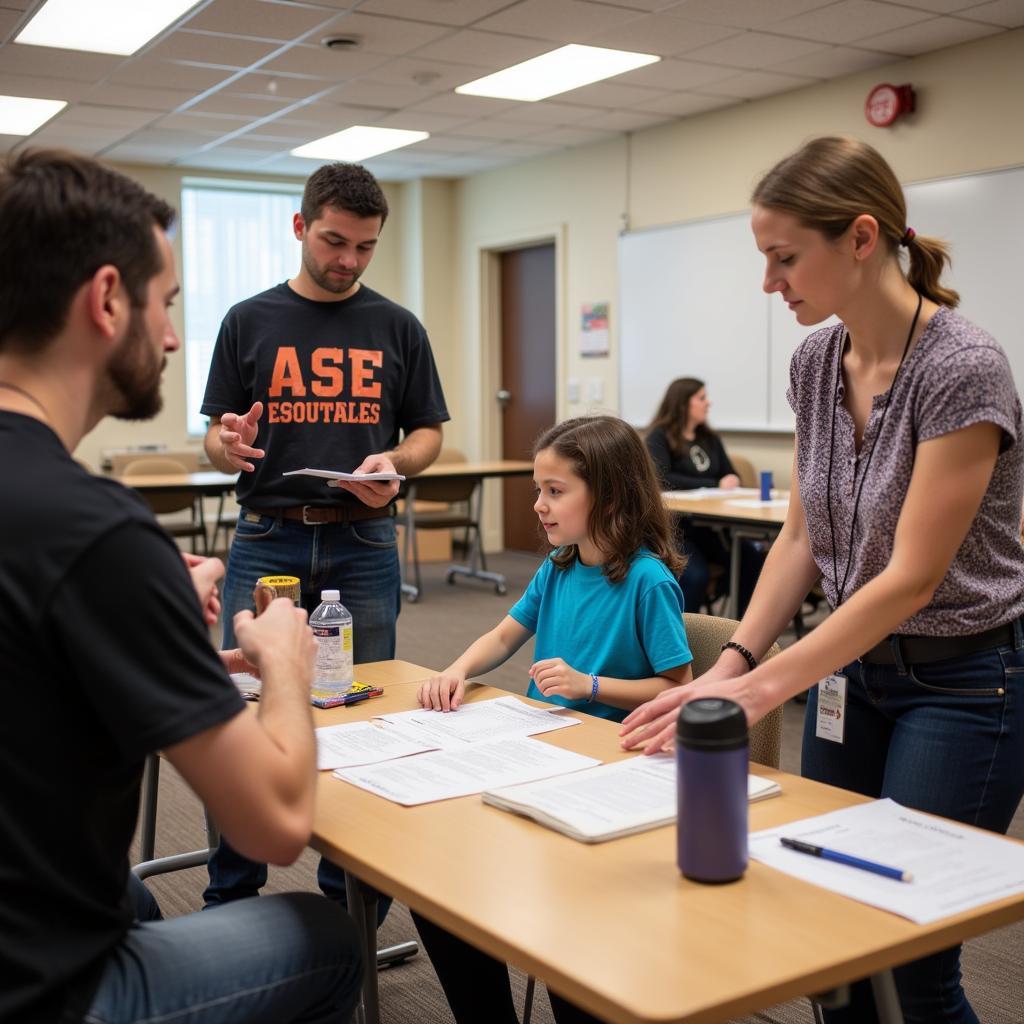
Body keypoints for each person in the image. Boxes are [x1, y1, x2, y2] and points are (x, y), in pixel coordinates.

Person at [621, 136, 1024, 1024]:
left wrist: (761, 691)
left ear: (862, 238)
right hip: (852, 671)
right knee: (827, 949)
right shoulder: (816, 362)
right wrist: (734, 663)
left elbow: (912, 579)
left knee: (910, 957)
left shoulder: (961, 368)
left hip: (959, 682)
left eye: (783, 258)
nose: (770, 284)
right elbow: (803, 535)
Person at [0, 150, 362, 1024]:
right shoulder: (100, 533)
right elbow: (273, 824)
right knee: (327, 937)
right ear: (108, 298)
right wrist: (280, 657)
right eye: (165, 306)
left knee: (141, 901)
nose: (168, 338)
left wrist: (150, 627)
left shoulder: (82, 538)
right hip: (42, 993)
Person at [200, 161, 449, 910]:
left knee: (366, 714)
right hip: (268, 535)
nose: (347, 261)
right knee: (239, 710)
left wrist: (398, 462)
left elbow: (429, 432)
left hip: (365, 541)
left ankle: (352, 910)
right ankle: (232, 896)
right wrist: (228, 445)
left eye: (365, 247)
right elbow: (217, 436)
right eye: (335, 241)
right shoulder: (249, 319)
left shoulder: (397, 325)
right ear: (301, 226)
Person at [415, 414, 694, 1023]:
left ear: (611, 495)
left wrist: (592, 685)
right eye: (538, 490)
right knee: (436, 888)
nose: (538, 505)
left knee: (558, 917)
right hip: (548, 756)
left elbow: (679, 687)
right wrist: (457, 671)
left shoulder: (648, 580)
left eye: (554, 491)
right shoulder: (560, 566)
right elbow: (503, 634)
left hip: (609, 765)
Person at [645, 377, 741, 612]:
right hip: (677, 529)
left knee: (751, 562)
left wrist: (731, 479)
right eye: (701, 398)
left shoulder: (710, 438)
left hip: (714, 529)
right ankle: (687, 635)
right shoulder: (659, 437)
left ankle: (740, 631)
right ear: (682, 404)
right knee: (696, 575)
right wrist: (715, 483)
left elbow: (730, 473)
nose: (708, 403)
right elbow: (662, 480)